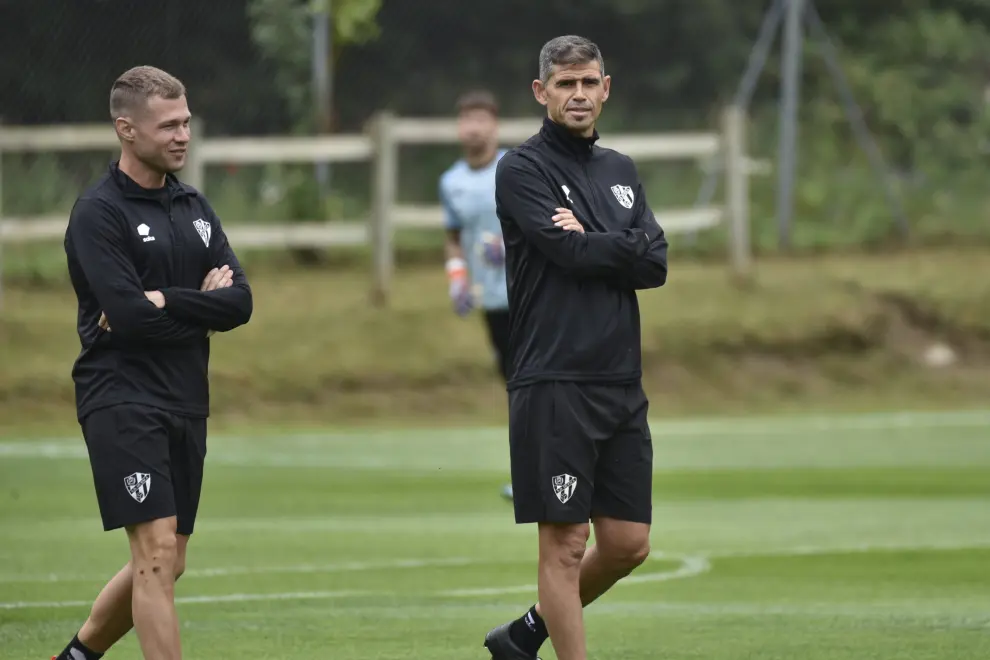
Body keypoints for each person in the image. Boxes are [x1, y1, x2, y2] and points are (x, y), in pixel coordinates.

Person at [53, 66, 252, 660]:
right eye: (168, 125)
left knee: (171, 559)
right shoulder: (99, 214)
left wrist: (166, 298)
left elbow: (240, 302)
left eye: (186, 122)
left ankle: (78, 655)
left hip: (187, 396)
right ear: (126, 130)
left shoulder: (193, 204)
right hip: (121, 395)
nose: (182, 135)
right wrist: (199, 302)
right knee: (156, 553)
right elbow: (128, 318)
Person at [481, 36, 668, 660]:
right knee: (563, 546)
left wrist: (599, 239)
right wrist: (620, 242)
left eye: (588, 83)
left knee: (628, 544)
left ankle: (524, 635)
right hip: (555, 381)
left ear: (605, 88)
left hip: (620, 380)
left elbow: (657, 262)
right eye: (565, 84)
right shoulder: (521, 169)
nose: (579, 95)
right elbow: (568, 253)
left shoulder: (619, 169)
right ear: (542, 92)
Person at [439, 89, 513, 501]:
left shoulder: (514, 168)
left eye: (481, 118)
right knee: (516, 386)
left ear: (495, 125)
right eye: (467, 118)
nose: (474, 127)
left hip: (531, 296)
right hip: (492, 302)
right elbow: (453, 237)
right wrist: (457, 279)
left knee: (535, 386)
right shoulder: (451, 182)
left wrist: (511, 246)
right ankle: (537, 474)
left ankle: (546, 476)